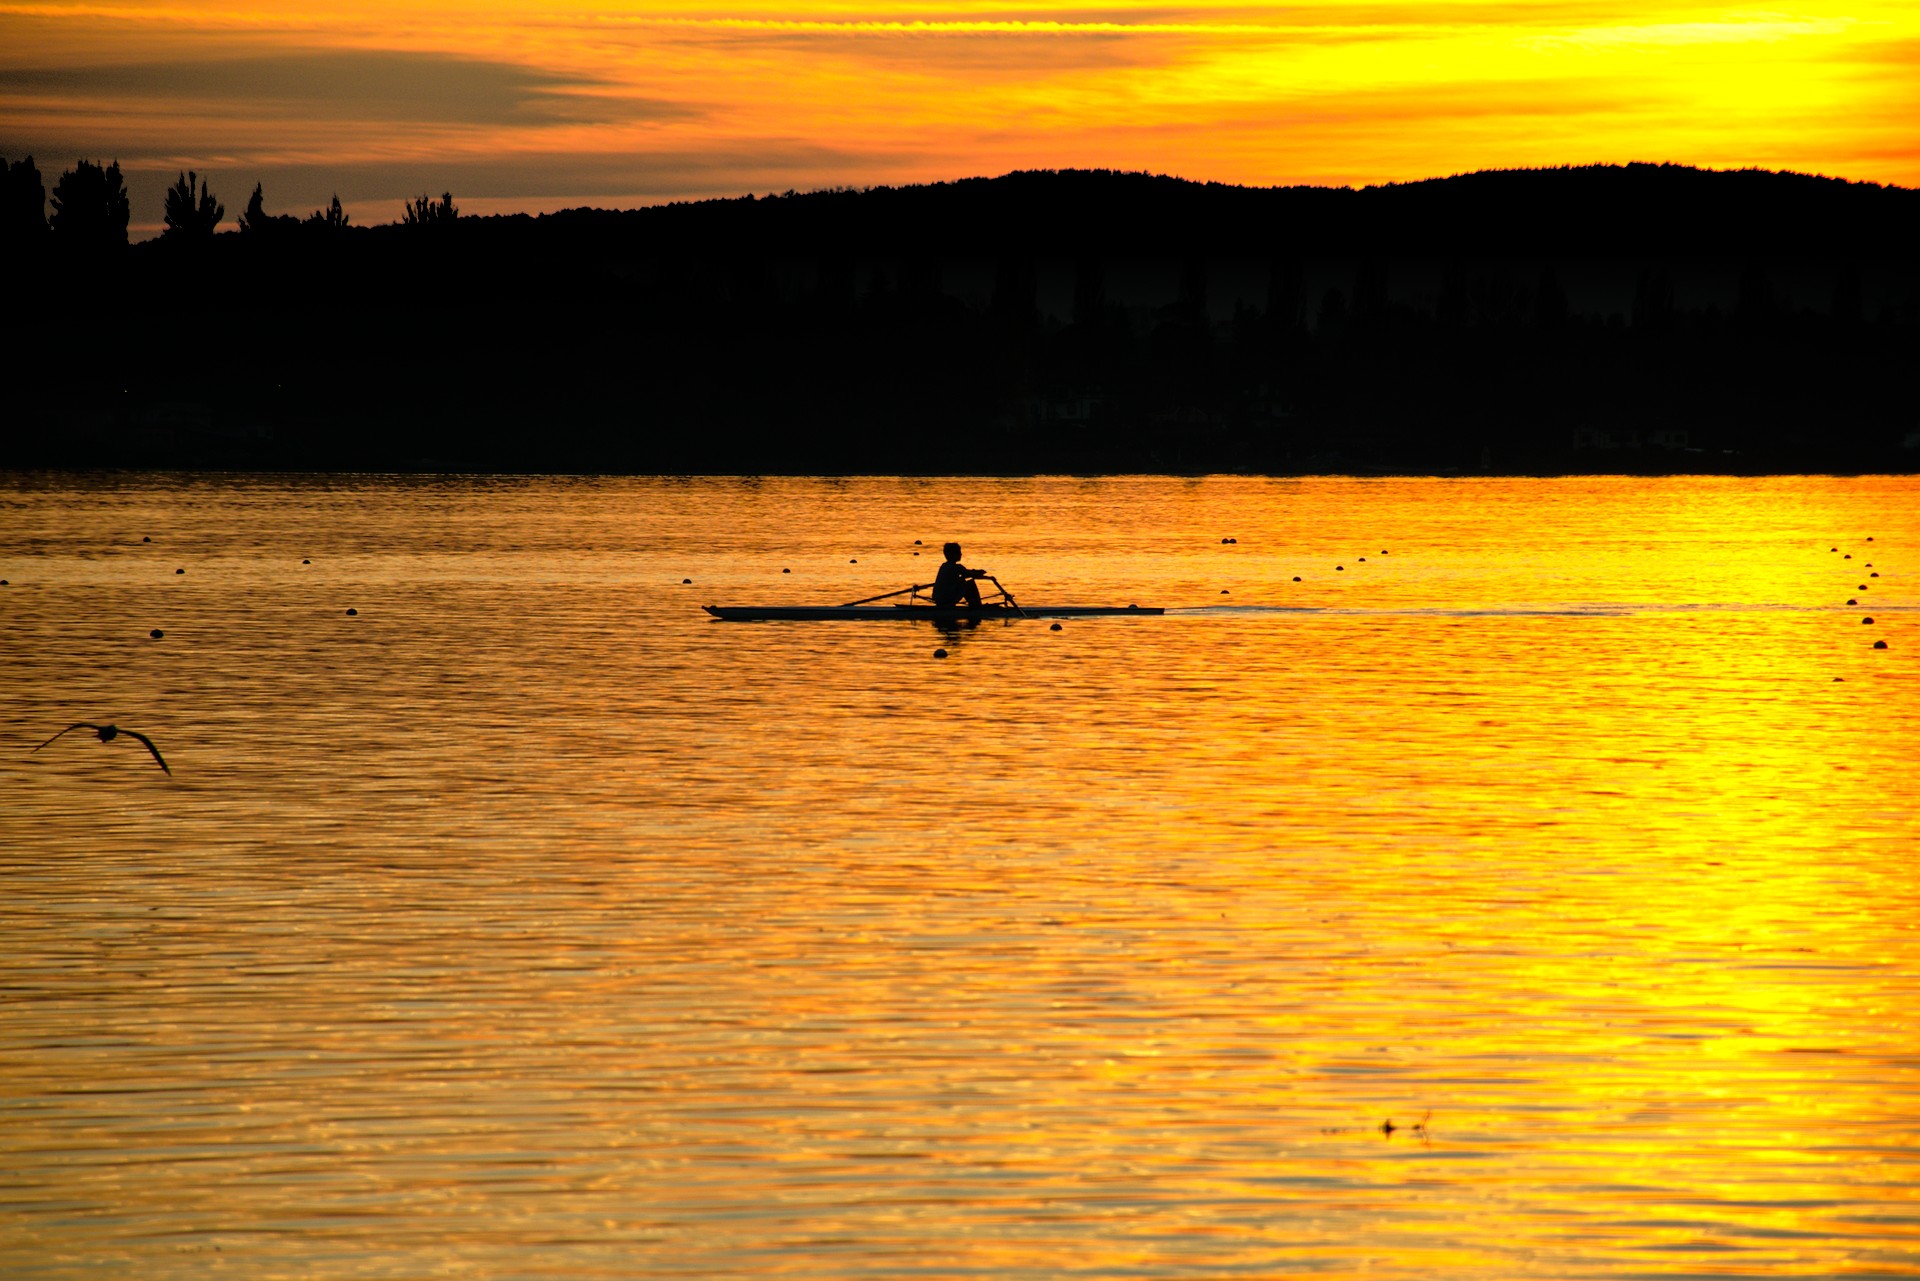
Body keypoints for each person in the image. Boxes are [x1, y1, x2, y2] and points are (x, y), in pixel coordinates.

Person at [931, 542, 989, 607]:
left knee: (962, 581)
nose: (961, 554)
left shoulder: (944, 566)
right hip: (946, 599)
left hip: (938, 599)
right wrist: (986, 576)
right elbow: (970, 574)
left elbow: (967, 572)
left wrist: (976, 572)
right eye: (959, 552)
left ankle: (974, 605)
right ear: (952, 555)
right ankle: (977, 607)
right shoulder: (957, 567)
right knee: (970, 584)